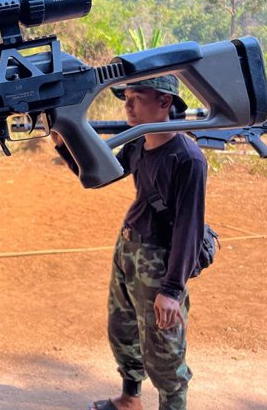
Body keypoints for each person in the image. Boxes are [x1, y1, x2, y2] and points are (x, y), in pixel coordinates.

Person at [53, 75, 206, 410]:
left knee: (163, 348)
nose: (128, 105)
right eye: (127, 97)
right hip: (128, 250)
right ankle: (129, 398)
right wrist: (63, 140)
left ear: (165, 103)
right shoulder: (138, 144)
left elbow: (188, 228)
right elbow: (96, 175)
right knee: (122, 331)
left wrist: (172, 290)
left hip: (159, 259)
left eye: (138, 97)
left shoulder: (187, 158)